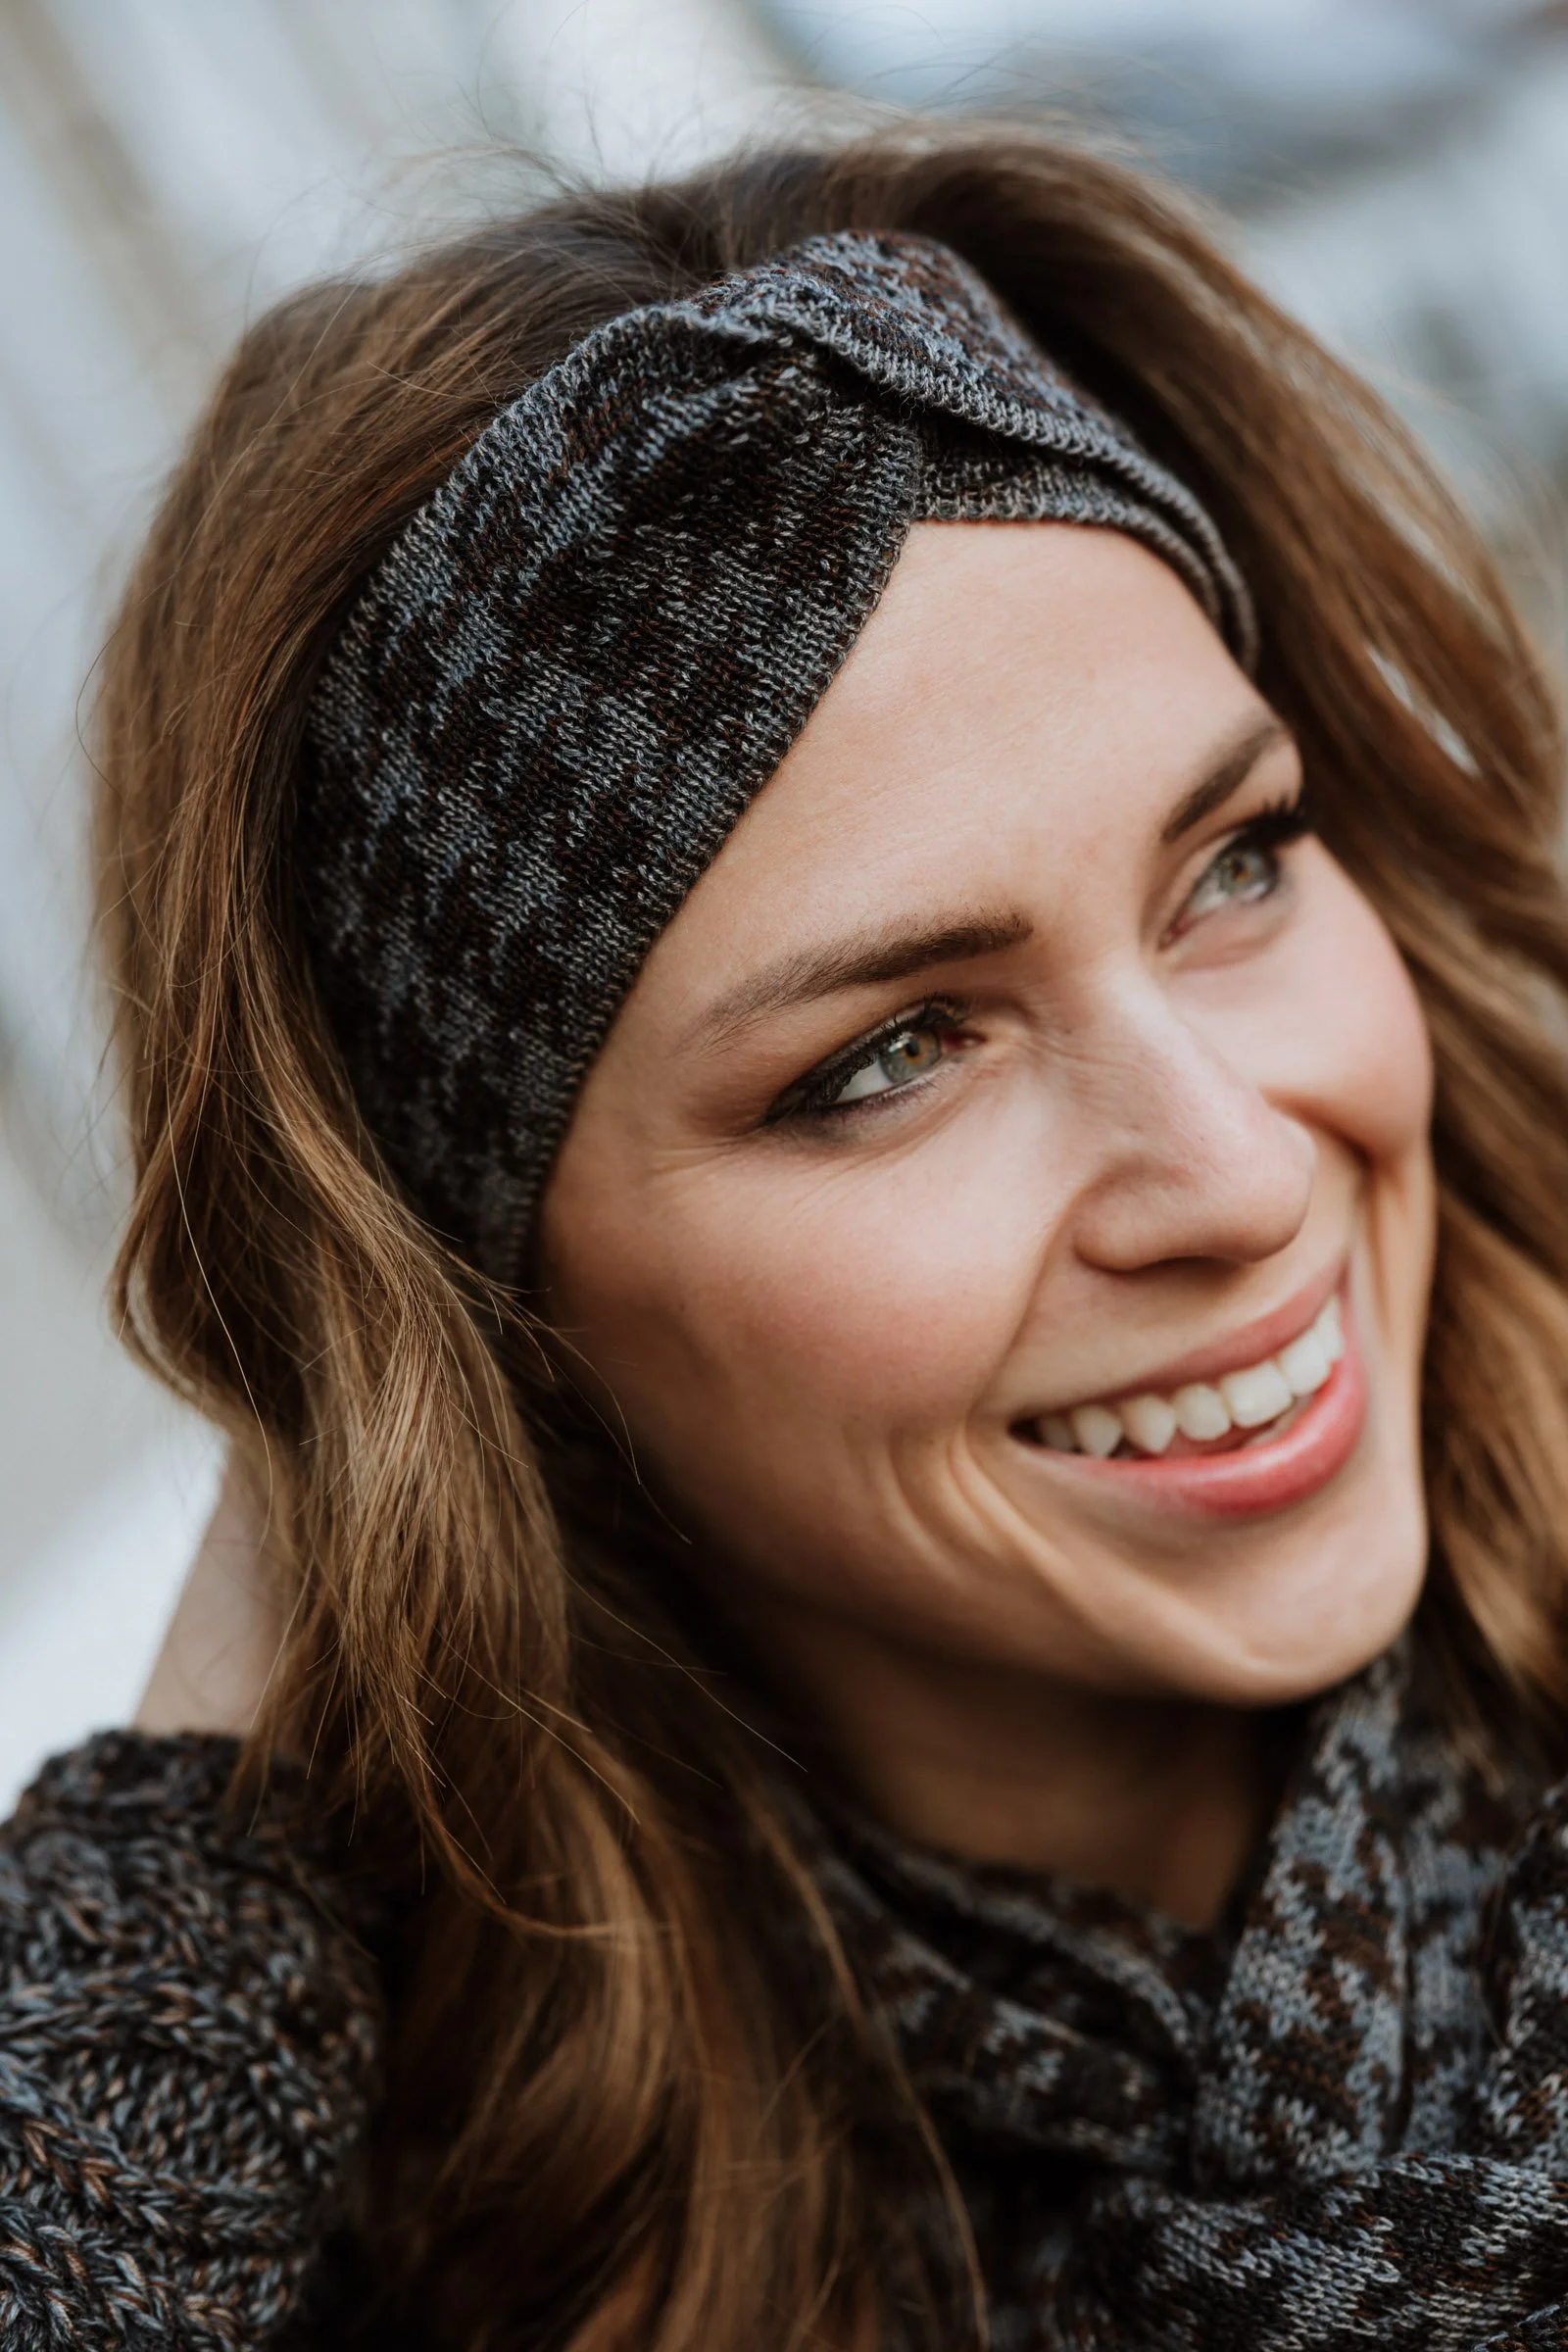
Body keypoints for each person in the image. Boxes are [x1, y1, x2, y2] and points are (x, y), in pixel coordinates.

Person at [6, 122, 1568, 2352]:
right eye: (890, 1054)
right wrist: (177, 1865)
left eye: (1230, 864)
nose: (1234, 1171)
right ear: (493, 1319)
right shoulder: (435, 2244)